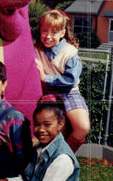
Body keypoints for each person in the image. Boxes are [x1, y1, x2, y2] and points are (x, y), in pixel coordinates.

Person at [34, 9, 90, 153]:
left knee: (82, 127)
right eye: (44, 31)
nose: (48, 36)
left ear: (62, 33)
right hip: (46, 92)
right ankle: (42, 156)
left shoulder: (70, 52)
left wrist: (45, 78)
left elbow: (70, 81)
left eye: (54, 32)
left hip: (69, 92)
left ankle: (64, 155)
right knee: (47, 127)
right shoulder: (36, 50)